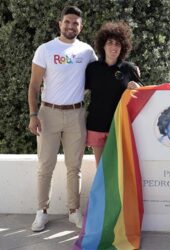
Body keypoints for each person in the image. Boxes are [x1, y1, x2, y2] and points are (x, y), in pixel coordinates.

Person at [28, 6, 97, 232]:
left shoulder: (87, 51)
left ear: (81, 26)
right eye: (67, 22)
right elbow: (34, 86)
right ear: (60, 23)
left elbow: (101, 73)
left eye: (75, 23)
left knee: (73, 167)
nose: (71, 26)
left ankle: (73, 211)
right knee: (45, 166)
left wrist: (126, 73)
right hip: (48, 114)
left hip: (76, 114)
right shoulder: (45, 49)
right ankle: (41, 212)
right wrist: (33, 114)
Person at [85, 21, 141, 166]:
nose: (113, 47)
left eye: (117, 44)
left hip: (119, 126)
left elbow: (141, 93)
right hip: (96, 124)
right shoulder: (92, 68)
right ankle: (101, 190)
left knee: (118, 169)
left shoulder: (129, 69)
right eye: (110, 43)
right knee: (101, 167)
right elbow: (80, 90)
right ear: (103, 45)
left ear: (122, 47)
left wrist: (137, 87)